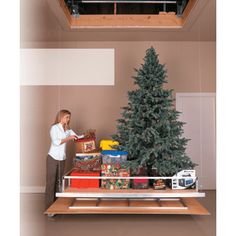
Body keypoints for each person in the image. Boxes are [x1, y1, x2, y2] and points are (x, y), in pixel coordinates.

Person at [45, 109, 84, 209]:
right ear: (61, 117)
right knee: (51, 183)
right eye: (67, 117)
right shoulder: (54, 128)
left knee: (59, 182)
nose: (68, 119)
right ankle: (49, 208)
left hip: (62, 158)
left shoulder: (68, 129)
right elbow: (56, 142)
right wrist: (69, 138)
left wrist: (88, 135)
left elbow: (77, 137)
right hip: (52, 158)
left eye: (69, 117)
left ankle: (56, 205)